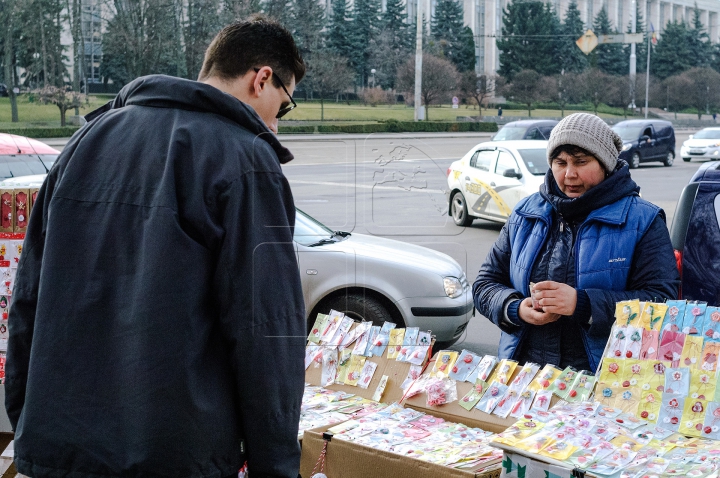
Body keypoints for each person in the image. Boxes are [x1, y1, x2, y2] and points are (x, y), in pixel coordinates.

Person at [6, 17, 306, 478]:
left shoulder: (84, 141)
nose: (277, 125)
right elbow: (265, 330)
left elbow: (28, 297)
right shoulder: (246, 159)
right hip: (175, 453)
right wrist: (276, 465)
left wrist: (26, 420)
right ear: (262, 78)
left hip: (58, 446)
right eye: (283, 107)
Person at [473, 113, 679, 372]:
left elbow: (662, 302)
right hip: (524, 376)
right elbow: (484, 284)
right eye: (560, 163)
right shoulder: (526, 213)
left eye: (581, 162)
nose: (569, 174)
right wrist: (515, 308)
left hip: (602, 378)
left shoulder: (642, 219)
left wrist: (583, 304)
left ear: (605, 163)